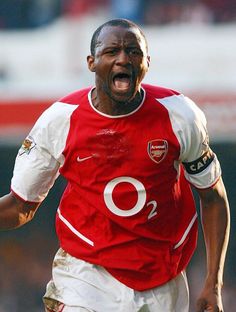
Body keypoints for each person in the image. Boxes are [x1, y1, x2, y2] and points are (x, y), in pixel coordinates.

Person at [0, 18, 230, 312]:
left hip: (163, 276)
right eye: (112, 52)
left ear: (147, 61)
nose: (124, 59)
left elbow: (213, 196)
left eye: (133, 52)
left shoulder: (180, 115)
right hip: (86, 275)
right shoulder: (60, 120)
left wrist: (213, 283)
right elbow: (20, 207)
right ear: (91, 62)